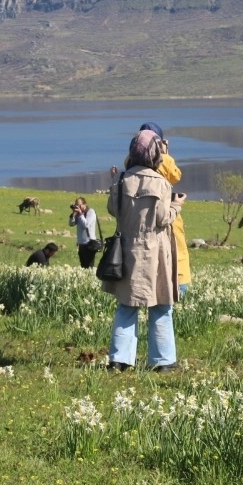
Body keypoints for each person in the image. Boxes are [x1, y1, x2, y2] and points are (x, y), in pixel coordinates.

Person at [103, 129, 185, 373]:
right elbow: (162, 218)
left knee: (126, 305)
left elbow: (112, 210)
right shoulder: (161, 183)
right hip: (154, 252)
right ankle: (163, 361)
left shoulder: (121, 180)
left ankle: (119, 360)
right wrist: (176, 206)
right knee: (160, 305)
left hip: (126, 250)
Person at [140, 122, 191, 297]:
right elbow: (175, 176)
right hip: (166, 209)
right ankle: (180, 288)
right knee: (177, 247)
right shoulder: (162, 159)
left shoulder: (131, 161)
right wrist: (166, 154)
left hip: (141, 211)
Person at [68, 196, 98, 268]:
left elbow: (86, 225)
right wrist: (73, 214)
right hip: (81, 244)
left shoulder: (91, 212)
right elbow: (71, 224)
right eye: (76, 204)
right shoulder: (78, 214)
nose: (77, 206)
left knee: (89, 267)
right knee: (83, 266)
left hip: (89, 243)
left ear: (85, 204)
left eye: (79, 204)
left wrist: (81, 214)